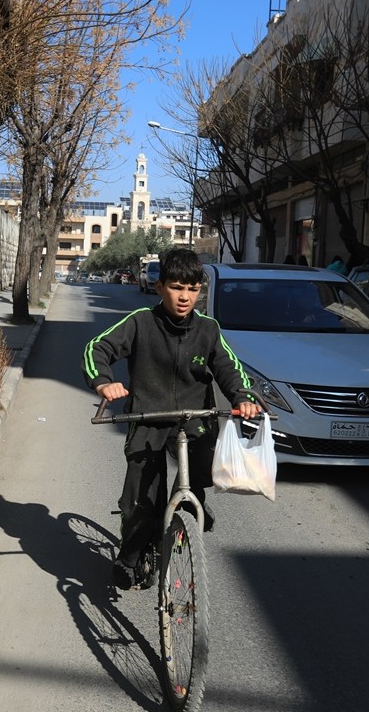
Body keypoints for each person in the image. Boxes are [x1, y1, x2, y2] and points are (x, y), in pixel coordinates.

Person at [82, 248, 260, 590]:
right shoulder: (139, 322)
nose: (184, 297)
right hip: (149, 417)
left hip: (195, 419)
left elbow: (229, 368)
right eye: (177, 287)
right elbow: (97, 349)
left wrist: (244, 397)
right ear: (160, 286)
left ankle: (188, 517)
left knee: (198, 484)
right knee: (142, 502)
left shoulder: (208, 329)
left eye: (192, 290)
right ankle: (131, 554)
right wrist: (104, 382)